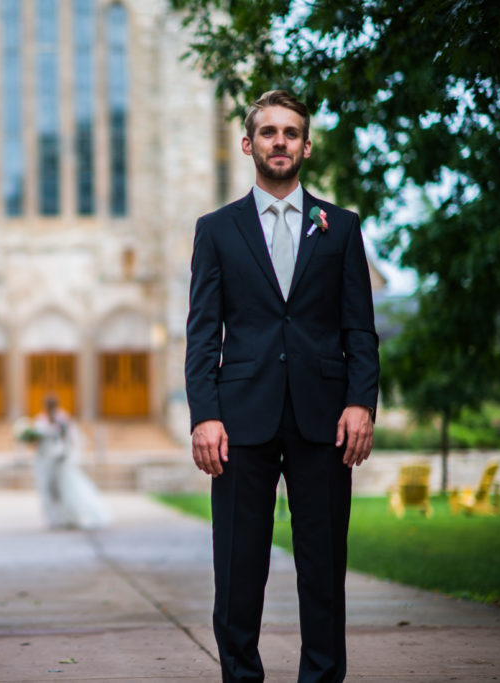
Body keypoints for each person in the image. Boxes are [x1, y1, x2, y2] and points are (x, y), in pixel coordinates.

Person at [184, 90, 379, 682]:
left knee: (322, 568)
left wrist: (359, 403)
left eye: (290, 133)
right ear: (248, 144)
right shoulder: (216, 230)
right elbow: (201, 332)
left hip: (324, 419)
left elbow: (360, 329)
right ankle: (241, 676)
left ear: (307, 145)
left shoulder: (340, 228)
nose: (279, 142)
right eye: (267, 132)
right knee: (238, 568)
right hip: (240, 419)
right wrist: (204, 414)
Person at [30, 396, 110, 530]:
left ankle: (69, 516)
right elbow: (36, 441)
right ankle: (52, 518)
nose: (48, 408)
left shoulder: (62, 419)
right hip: (44, 459)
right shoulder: (40, 419)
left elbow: (69, 439)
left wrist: (65, 453)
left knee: (64, 488)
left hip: (59, 458)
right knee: (47, 489)